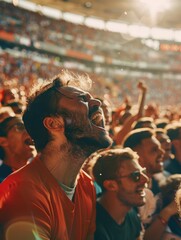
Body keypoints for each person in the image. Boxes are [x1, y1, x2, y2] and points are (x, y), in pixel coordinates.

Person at [0, 71, 113, 240]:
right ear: (53, 124)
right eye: (82, 99)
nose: (96, 102)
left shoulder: (86, 185)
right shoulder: (23, 193)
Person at [123, 128, 178, 240]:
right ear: (136, 156)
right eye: (154, 150)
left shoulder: (161, 181)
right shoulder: (130, 193)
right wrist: (167, 212)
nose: (162, 152)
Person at [92, 147, 148, 240]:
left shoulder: (130, 213)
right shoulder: (94, 227)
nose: (145, 179)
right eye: (136, 176)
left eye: (143, 172)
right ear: (110, 185)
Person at [0, 116, 35, 182]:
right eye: (20, 127)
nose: (30, 131)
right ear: (3, 142)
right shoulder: (2, 182)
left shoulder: (41, 175)